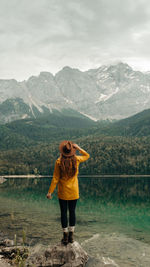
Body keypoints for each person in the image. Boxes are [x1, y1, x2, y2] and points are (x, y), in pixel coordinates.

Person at [47, 140, 90, 245]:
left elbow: (55, 178)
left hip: (62, 192)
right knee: (72, 212)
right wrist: (78, 148)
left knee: (63, 213)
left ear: (62, 151)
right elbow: (87, 155)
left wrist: (50, 192)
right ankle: (71, 236)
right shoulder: (77, 159)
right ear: (72, 151)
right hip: (74, 192)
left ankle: (65, 236)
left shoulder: (58, 161)